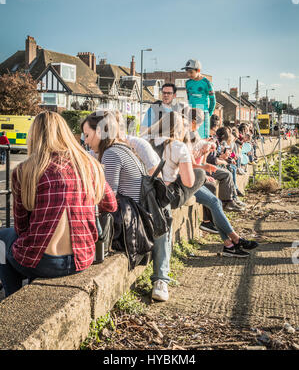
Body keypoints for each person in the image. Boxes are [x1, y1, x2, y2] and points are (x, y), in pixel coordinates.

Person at [0, 111, 117, 298]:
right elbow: (111, 205)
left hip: (42, 262)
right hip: (83, 257)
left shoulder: (25, 170)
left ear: (34, 137)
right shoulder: (90, 165)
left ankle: (12, 296)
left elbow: (21, 228)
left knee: (2, 239)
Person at [81, 111, 172, 302]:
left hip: (131, 226)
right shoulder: (121, 148)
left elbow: (107, 198)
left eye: (87, 135)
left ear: (99, 132)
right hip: (140, 219)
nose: (86, 141)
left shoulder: (111, 154)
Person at [148, 112, 258, 257]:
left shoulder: (175, 140)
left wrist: (204, 163)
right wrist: (203, 169)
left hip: (179, 182)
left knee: (215, 201)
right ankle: (235, 240)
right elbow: (188, 170)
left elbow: (192, 161)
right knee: (213, 200)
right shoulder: (175, 143)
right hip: (179, 185)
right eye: (184, 124)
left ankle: (230, 244)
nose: (187, 127)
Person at [182, 59, 216, 138]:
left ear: (198, 70)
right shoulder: (188, 83)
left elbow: (213, 101)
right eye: (187, 72)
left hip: (202, 114)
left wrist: (208, 115)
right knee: (190, 138)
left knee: (202, 139)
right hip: (190, 114)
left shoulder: (207, 83)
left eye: (191, 72)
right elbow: (189, 98)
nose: (189, 74)